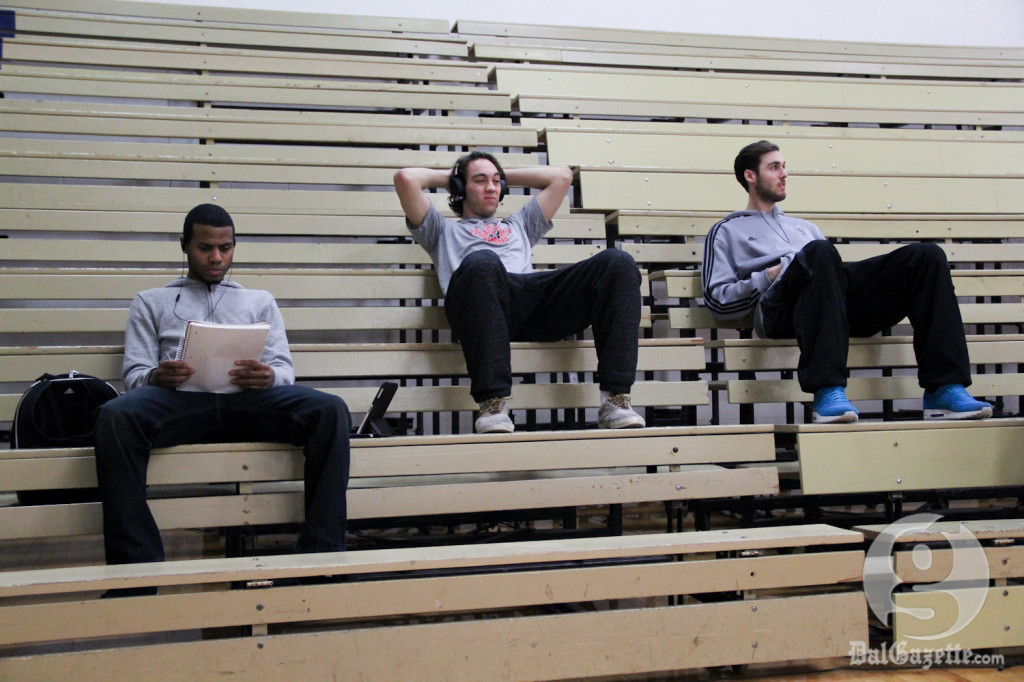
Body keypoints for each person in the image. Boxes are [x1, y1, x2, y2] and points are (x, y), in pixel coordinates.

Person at [94, 204, 351, 585]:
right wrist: (156, 377)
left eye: (225, 248)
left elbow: (284, 370)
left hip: (247, 401)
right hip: (180, 402)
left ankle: (321, 556)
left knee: (331, 410)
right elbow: (133, 376)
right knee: (114, 416)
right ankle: (137, 567)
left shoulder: (259, 301)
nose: (216, 257)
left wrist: (268, 377)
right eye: (205, 247)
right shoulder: (150, 301)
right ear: (184, 246)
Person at [702, 140, 992, 424]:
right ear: (750, 176)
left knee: (926, 257)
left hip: (829, 306)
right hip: (780, 310)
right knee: (819, 253)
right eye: (774, 167)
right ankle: (828, 391)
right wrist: (769, 275)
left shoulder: (805, 228)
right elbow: (718, 301)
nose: (784, 174)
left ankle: (944, 389)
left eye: (785, 167)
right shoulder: (727, 231)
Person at [393, 151, 646, 433]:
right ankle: (492, 403)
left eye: (496, 181)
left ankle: (615, 399)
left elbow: (562, 176)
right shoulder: (441, 230)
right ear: (461, 188)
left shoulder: (519, 224)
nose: (491, 187)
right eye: (479, 181)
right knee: (483, 261)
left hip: (532, 304)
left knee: (618, 262)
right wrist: (453, 178)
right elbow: (405, 178)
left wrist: (500, 176)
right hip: (480, 304)